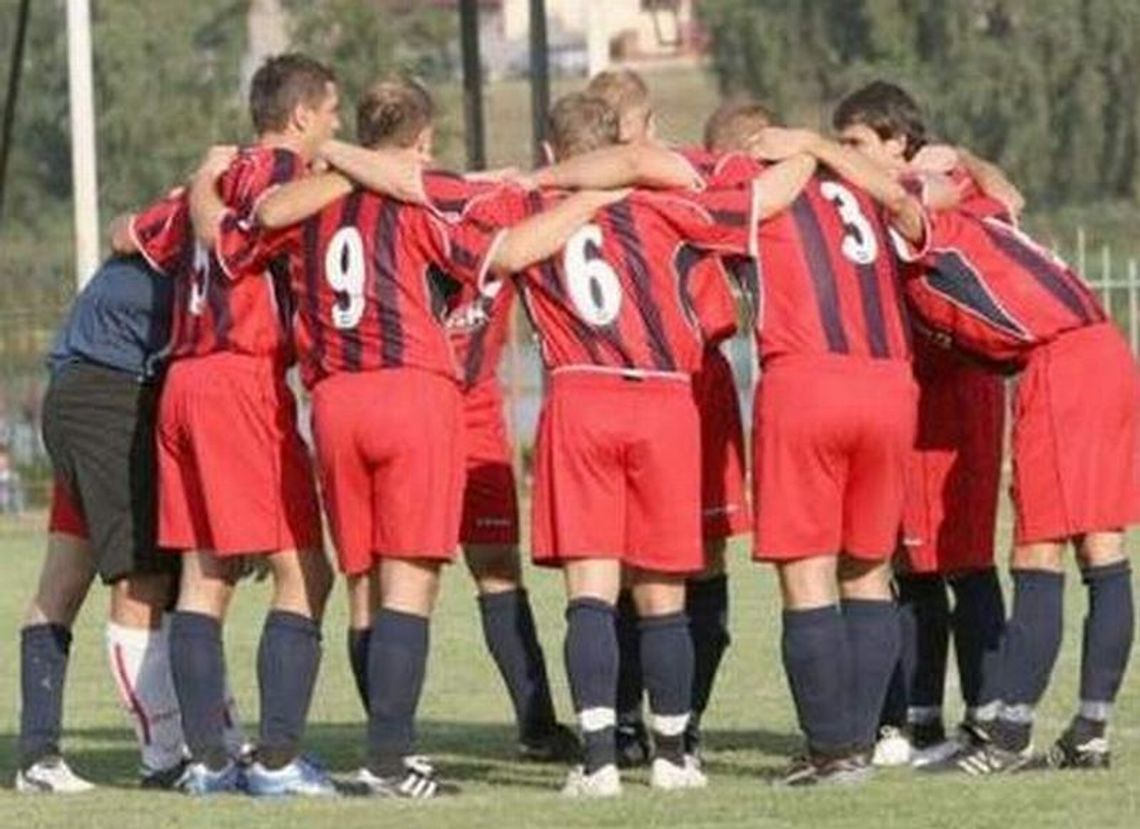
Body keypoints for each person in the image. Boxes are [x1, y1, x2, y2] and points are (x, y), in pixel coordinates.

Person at [240, 79, 623, 798]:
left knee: (364, 586)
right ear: (422, 140)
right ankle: (390, 761)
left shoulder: (308, 209)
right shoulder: (419, 201)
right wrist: (590, 199)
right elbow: (502, 253)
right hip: (412, 391)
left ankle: (383, 746)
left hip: (334, 400)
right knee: (412, 582)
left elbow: (263, 216)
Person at [459, 92, 816, 797]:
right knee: (663, 595)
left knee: (590, 592)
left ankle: (596, 761)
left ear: (552, 155)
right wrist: (812, 149)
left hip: (581, 394)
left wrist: (517, 180)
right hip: (663, 398)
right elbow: (768, 198)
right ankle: (673, 754)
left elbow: (454, 204)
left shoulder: (529, 207)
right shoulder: (666, 207)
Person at [767, 121, 1139, 775]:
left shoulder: (919, 220)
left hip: (1060, 362)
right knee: (1104, 550)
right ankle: (1088, 732)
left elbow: (914, 198)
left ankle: (1007, 736)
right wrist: (965, 158)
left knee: (1038, 549)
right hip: (1102, 347)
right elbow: (1002, 192)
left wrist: (816, 146)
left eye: (858, 147)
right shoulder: (973, 207)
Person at [114, 53, 342, 796]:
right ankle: (275, 761)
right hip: (239, 379)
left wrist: (200, 185)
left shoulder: (211, 178)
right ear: (303, 115)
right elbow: (239, 246)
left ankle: (208, 760)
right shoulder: (282, 181)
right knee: (303, 569)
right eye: (331, 110)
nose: (335, 125)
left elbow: (128, 234)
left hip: (181, 380)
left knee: (204, 575)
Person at [831, 81, 1016, 767]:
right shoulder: (857, 203)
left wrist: (960, 155)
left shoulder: (946, 185)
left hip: (962, 394)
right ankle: (915, 719)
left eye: (855, 142)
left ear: (897, 142)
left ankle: (987, 717)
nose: (844, 155)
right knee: (911, 566)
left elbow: (1010, 205)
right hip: (902, 398)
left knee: (966, 561)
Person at [16, 254, 245, 793]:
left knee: (66, 578)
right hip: (111, 397)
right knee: (144, 580)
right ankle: (162, 758)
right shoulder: (210, 222)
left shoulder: (195, 222)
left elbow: (130, 227)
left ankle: (39, 753)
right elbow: (133, 227)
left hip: (102, 395)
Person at [583, 68, 750, 769]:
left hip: (612, 392)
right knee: (685, 563)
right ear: (636, 132)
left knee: (619, 566)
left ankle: (628, 724)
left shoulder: (570, 190)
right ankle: (676, 727)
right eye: (650, 128)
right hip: (683, 386)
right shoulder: (677, 188)